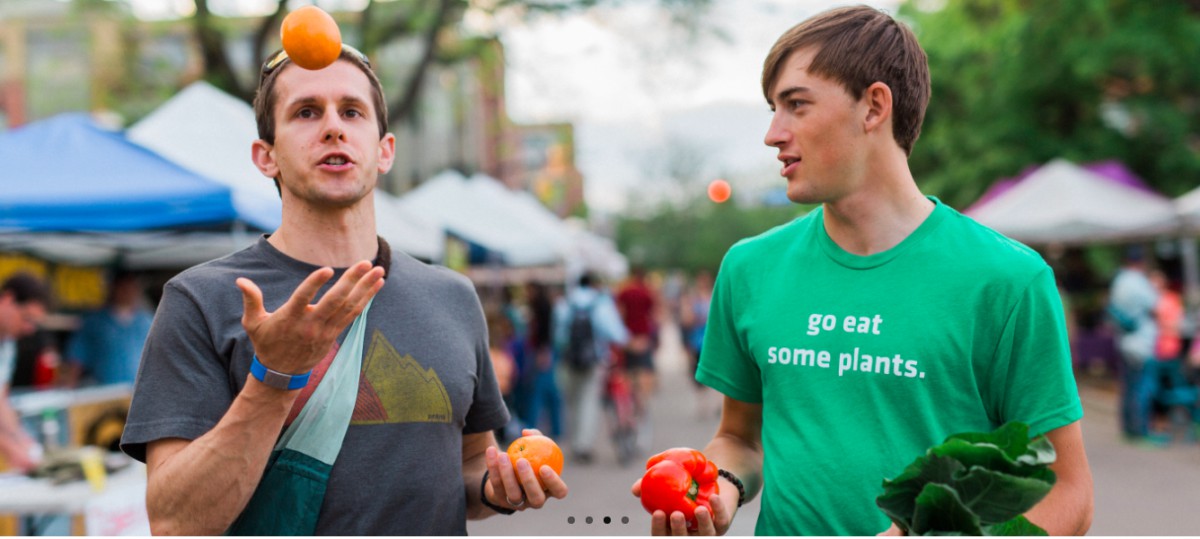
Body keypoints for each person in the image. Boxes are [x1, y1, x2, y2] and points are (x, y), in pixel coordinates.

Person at [632, 6, 1093, 536]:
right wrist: (719, 488)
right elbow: (740, 437)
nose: (773, 134)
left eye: (796, 105)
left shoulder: (1008, 279)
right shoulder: (748, 268)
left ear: (874, 107)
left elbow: (1069, 493)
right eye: (772, 109)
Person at [118, 44, 565, 535]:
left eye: (351, 111)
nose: (333, 127)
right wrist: (273, 378)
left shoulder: (453, 297)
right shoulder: (202, 299)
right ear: (266, 157)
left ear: (384, 150)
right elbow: (175, 523)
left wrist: (495, 488)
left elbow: (468, 465)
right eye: (306, 112)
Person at [554, 272, 628, 463]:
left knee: (572, 402)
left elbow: (558, 337)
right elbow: (615, 332)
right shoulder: (599, 303)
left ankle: (574, 441)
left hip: (568, 361)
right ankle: (584, 446)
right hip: (592, 361)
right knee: (589, 401)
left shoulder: (565, 303)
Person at [63, 271, 154, 387]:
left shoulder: (147, 321)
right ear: (112, 288)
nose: (128, 292)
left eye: (132, 287)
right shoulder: (94, 321)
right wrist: (68, 387)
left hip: (139, 390)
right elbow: (76, 358)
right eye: (123, 288)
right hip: (105, 392)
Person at [1109, 246, 1160, 441]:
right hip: (1141, 344)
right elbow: (1155, 307)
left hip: (1124, 341)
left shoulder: (1119, 281)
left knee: (1129, 387)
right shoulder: (1138, 282)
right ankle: (1142, 431)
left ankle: (1129, 429)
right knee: (1142, 388)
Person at [0, 273, 50, 473]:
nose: (29, 329)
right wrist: (11, 448)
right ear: (8, 299)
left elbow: (1, 399)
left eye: (34, 323)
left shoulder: (8, 345)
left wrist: (22, 439)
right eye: (26, 318)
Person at [615, 265, 658, 449]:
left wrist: (626, 339)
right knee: (643, 387)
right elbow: (654, 315)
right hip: (643, 341)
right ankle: (641, 415)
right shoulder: (648, 292)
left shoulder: (623, 292)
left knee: (626, 383)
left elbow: (618, 314)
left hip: (627, 342)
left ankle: (629, 416)